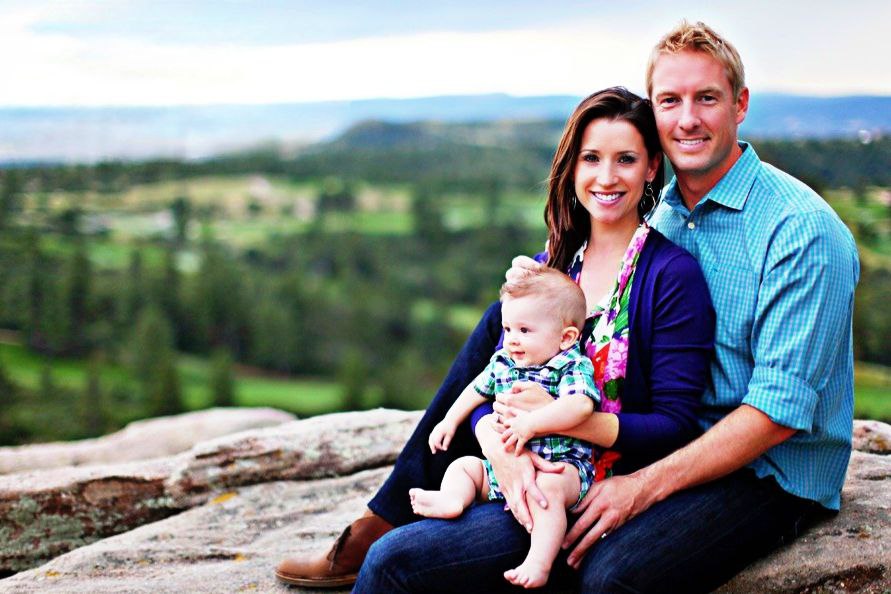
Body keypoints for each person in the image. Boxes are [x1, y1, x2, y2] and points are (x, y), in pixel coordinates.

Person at [351, 20, 860, 593]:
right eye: (670, 100)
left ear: (740, 104)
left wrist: (636, 486)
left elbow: (778, 414)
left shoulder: (802, 231)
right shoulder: (657, 215)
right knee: (512, 313)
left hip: (765, 471)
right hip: (635, 443)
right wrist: (505, 439)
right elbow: (520, 365)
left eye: (707, 98)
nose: (687, 118)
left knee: (608, 574)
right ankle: (390, 512)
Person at [276, 85, 716, 591]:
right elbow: (498, 377)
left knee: (394, 560)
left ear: (652, 168)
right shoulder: (556, 265)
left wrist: (558, 425)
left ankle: (382, 524)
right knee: (494, 321)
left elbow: (675, 427)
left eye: (626, 159)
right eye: (592, 158)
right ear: (572, 166)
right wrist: (501, 447)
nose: (607, 177)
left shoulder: (671, 276)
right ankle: (384, 519)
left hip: (581, 487)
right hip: (514, 466)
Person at [412, 267, 599, 589]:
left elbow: (581, 405)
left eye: (525, 330)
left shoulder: (570, 364)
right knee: (465, 467)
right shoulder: (504, 362)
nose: (512, 339)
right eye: (508, 328)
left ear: (566, 337)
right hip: (506, 468)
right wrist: (449, 420)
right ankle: (452, 500)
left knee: (549, 494)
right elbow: (476, 389)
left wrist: (532, 422)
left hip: (561, 467)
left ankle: (539, 562)